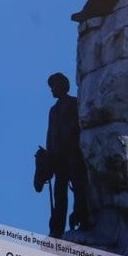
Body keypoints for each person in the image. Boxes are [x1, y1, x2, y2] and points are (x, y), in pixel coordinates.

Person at [45, 73, 89, 238]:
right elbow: (50, 134)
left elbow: (79, 125)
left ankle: (82, 219)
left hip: (73, 155)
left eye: (53, 87)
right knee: (59, 194)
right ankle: (56, 229)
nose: (51, 91)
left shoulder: (74, 103)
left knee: (79, 189)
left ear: (62, 86)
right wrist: (49, 156)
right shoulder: (53, 110)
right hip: (58, 158)